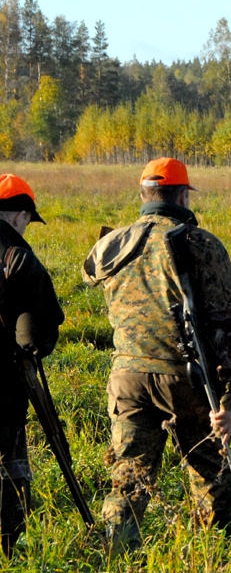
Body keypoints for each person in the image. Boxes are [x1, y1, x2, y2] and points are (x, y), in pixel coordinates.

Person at [83, 158, 231, 550]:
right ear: (183, 194)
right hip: (187, 379)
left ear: (144, 195)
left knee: (129, 478)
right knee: (212, 475)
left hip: (128, 379)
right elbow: (228, 325)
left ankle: (117, 552)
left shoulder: (112, 244)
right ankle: (217, 552)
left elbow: (88, 273)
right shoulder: (199, 243)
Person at [0, 175, 64, 557]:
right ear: (21, 215)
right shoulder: (18, 257)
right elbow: (33, 339)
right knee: (9, 467)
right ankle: (9, 550)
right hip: (3, 385)